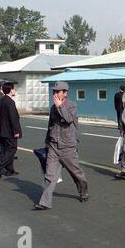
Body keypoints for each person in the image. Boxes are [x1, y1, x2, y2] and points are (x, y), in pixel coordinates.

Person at [34, 81, 89, 210]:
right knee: (50, 175)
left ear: (65, 93)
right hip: (54, 146)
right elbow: (50, 125)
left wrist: (60, 107)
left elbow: (69, 119)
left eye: (57, 92)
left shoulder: (71, 106)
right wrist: (47, 142)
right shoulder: (53, 107)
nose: (54, 94)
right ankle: (44, 202)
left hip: (68, 147)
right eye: (53, 92)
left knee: (76, 173)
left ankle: (84, 191)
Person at [0, 82, 22, 178]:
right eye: (14, 89)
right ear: (11, 90)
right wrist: (16, 131)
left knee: (6, 149)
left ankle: (10, 170)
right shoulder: (10, 102)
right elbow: (13, 118)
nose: (14, 90)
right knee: (12, 149)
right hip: (9, 131)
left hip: (2, 129)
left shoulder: (0, 101)